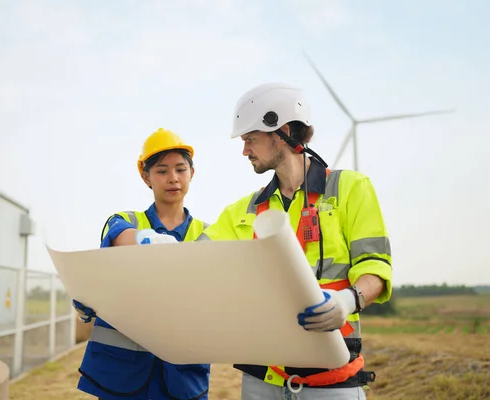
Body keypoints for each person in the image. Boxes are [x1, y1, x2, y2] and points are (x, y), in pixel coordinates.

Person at [197, 83, 393, 399]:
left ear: (283, 132)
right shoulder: (243, 210)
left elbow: (375, 266)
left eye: (250, 139)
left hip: (332, 375)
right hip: (261, 379)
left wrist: (348, 301)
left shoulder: (351, 189)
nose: (245, 150)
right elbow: (196, 259)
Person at [72, 128, 211, 400]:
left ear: (191, 174)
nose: (173, 178)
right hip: (121, 372)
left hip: (181, 373)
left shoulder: (208, 233)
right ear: (146, 177)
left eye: (180, 169)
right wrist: (146, 239)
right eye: (161, 171)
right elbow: (117, 235)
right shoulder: (128, 221)